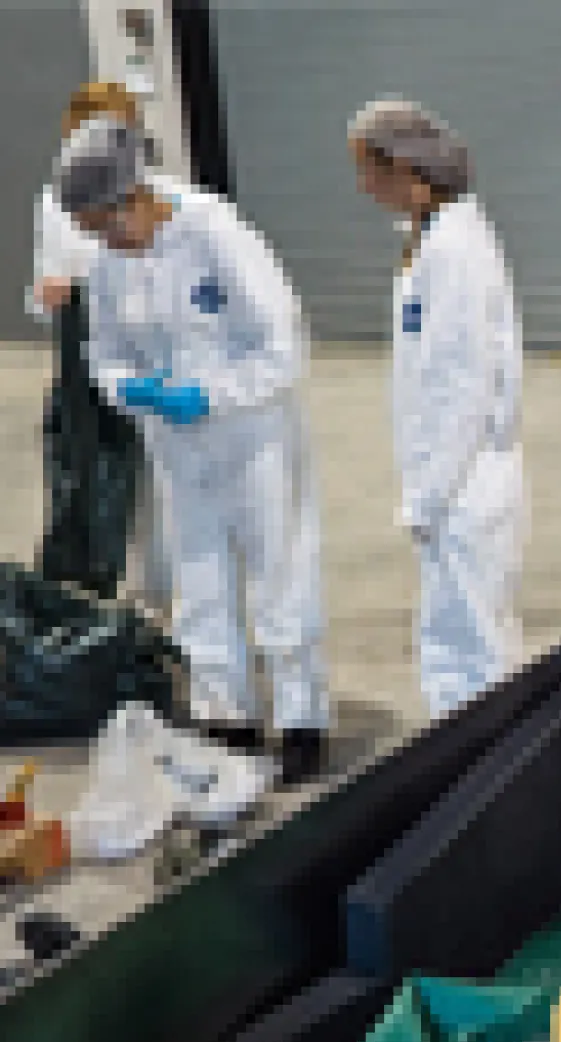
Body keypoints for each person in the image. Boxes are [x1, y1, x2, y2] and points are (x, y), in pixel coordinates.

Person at [54, 115, 330, 786]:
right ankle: (226, 714)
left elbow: (285, 347)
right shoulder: (109, 260)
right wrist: (129, 388)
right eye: (92, 233)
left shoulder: (217, 235)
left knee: (278, 572)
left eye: (108, 226)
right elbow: (104, 351)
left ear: (134, 196)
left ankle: (301, 720)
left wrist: (212, 393)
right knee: (200, 580)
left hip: (253, 435)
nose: (106, 243)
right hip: (176, 444)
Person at [348, 99, 526, 721]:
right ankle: (476, 754)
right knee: (460, 641)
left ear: (409, 172)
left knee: (473, 650)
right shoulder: (434, 239)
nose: (364, 187)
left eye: (370, 171)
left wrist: (427, 496)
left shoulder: (454, 253)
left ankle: (489, 762)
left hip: (463, 482)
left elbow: (460, 387)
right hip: (455, 479)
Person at [28, 81, 180, 610]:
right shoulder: (54, 195)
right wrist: (48, 293)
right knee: (76, 453)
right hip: (80, 330)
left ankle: (146, 579)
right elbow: (47, 275)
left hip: (137, 328)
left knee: (140, 462)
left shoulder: (156, 193)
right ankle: (80, 570)